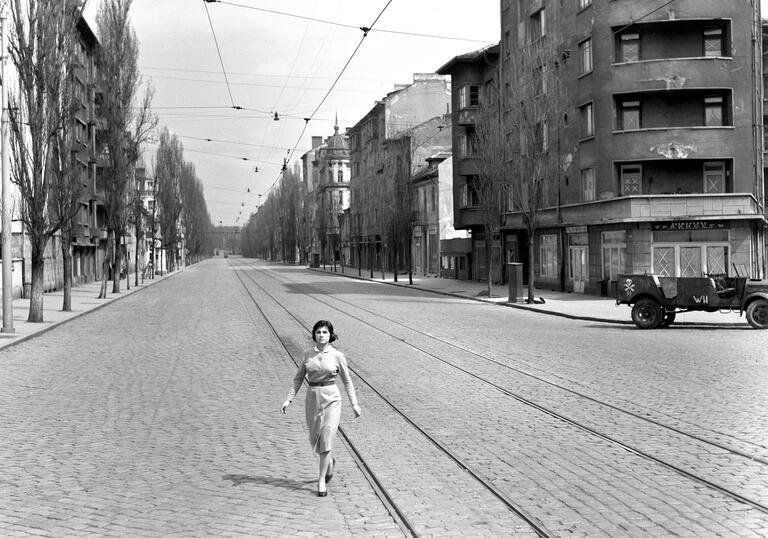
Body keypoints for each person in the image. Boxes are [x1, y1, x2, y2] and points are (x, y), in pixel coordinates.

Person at [282, 320, 362, 497]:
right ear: (314, 335)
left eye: (325, 332)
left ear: (330, 335)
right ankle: (329, 462)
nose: (321, 335)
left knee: (326, 438)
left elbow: (347, 381)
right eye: (318, 332)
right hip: (312, 399)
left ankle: (320, 481)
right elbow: (298, 378)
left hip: (331, 399)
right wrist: (289, 399)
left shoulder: (337, 356)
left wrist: (354, 404)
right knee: (315, 440)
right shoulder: (307, 354)